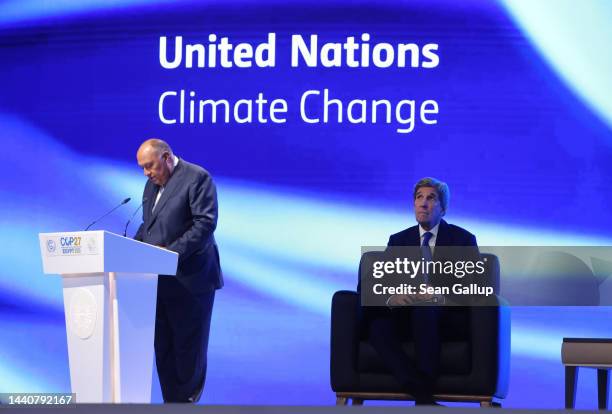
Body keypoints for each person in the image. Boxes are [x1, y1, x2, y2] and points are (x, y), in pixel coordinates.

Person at [363, 177, 478, 405]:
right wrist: (391, 297)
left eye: (431, 198)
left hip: (445, 318)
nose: (423, 203)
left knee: (425, 309)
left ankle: (423, 393)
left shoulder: (462, 240)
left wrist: (440, 297)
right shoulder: (398, 240)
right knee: (377, 326)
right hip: (406, 315)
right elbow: (368, 284)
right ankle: (421, 394)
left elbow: (475, 286)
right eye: (419, 198)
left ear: (443, 209)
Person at [134, 138, 222, 403]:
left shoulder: (197, 177)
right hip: (160, 282)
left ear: (166, 157)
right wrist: (130, 248)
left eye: (150, 166)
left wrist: (170, 253)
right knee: (164, 350)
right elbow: (147, 226)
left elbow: (204, 225)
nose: (147, 173)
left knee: (188, 352)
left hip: (191, 281)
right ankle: (171, 405)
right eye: (142, 168)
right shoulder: (151, 186)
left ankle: (185, 404)